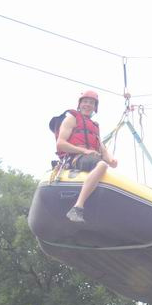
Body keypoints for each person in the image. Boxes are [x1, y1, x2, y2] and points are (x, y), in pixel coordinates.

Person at [55, 90, 118, 223]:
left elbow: (102, 148)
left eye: (91, 103)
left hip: (91, 158)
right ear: (80, 104)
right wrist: (83, 151)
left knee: (104, 164)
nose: (88, 105)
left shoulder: (95, 126)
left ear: (95, 107)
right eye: (85, 102)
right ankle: (77, 207)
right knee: (102, 164)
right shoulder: (71, 118)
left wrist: (111, 160)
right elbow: (60, 143)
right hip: (75, 157)